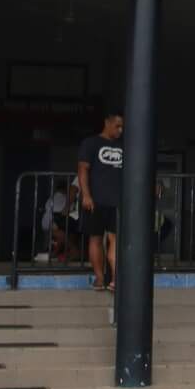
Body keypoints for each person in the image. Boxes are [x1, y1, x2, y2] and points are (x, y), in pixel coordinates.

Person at [76, 111, 125, 292]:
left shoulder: (123, 146)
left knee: (115, 239)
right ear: (107, 122)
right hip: (95, 201)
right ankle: (99, 277)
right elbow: (82, 169)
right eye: (117, 125)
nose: (120, 130)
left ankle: (115, 279)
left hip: (118, 202)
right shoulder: (91, 143)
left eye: (122, 127)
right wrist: (86, 195)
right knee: (95, 238)